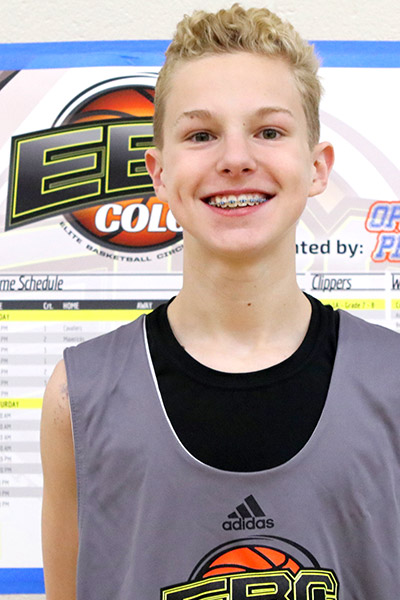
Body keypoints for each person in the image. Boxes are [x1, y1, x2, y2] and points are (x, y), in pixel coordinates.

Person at [40, 4, 400, 599]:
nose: (235, 158)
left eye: (269, 131)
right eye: (201, 135)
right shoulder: (77, 396)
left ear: (316, 167)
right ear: (159, 174)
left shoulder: (392, 381)